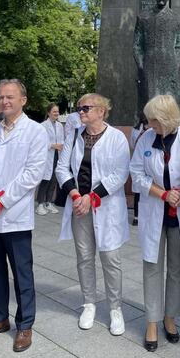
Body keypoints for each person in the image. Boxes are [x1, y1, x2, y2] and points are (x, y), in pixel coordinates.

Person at [0, 79, 48, 352]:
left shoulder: (35, 132)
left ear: (23, 100)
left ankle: (25, 324)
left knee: (22, 272)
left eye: (10, 97)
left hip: (14, 214)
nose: (4, 101)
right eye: (1, 97)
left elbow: (32, 174)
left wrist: (1, 202)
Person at [130, 95, 180, 351]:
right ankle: (152, 321)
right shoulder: (146, 140)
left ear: (167, 118)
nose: (149, 125)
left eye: (154, 120)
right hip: (154, 211)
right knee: (152, 266)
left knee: (176, 268)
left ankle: (170, 317)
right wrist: (162, 193)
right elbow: (136, 173)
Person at [56, 93, 130, 335]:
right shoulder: (74, 135)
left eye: (85, 108)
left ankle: (115, 308)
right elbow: (62, 168)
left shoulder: (116, 137)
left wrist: (92, 197)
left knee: (110, 258)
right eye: (79, 108)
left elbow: (120, 174)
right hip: (79, 206)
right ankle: (89, 303)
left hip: (106, 206)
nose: (81, 112)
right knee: (85, 257)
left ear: (101, 111)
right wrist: (76, 195)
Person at [133, 0, 180, 110]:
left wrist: (175, 65)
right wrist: (142, 66)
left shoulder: (176, 18)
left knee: (170, 108)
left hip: (170, 68)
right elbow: (137, 45)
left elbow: (178, 46)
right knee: (150, 107)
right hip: (149, 68)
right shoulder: (143, 17)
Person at [36, 103, 64, 216]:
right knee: (45, 180)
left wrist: (61, 146)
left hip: (57, 155)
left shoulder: (60, 125)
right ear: (48, 113)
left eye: (57, 111)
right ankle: (40, 204)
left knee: (53, 180)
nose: (56, 113)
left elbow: (62, 139)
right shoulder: (42, 126)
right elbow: (40, 142)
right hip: (47, 155)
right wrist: (52, 145)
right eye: (54, 111)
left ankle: (48, 202)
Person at [130, 113, 148, 226]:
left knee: (138, 191)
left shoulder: (135, 130)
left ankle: (136, 217)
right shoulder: (151, 131)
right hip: (147, 161)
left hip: (137, 159)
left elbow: (132, 145)